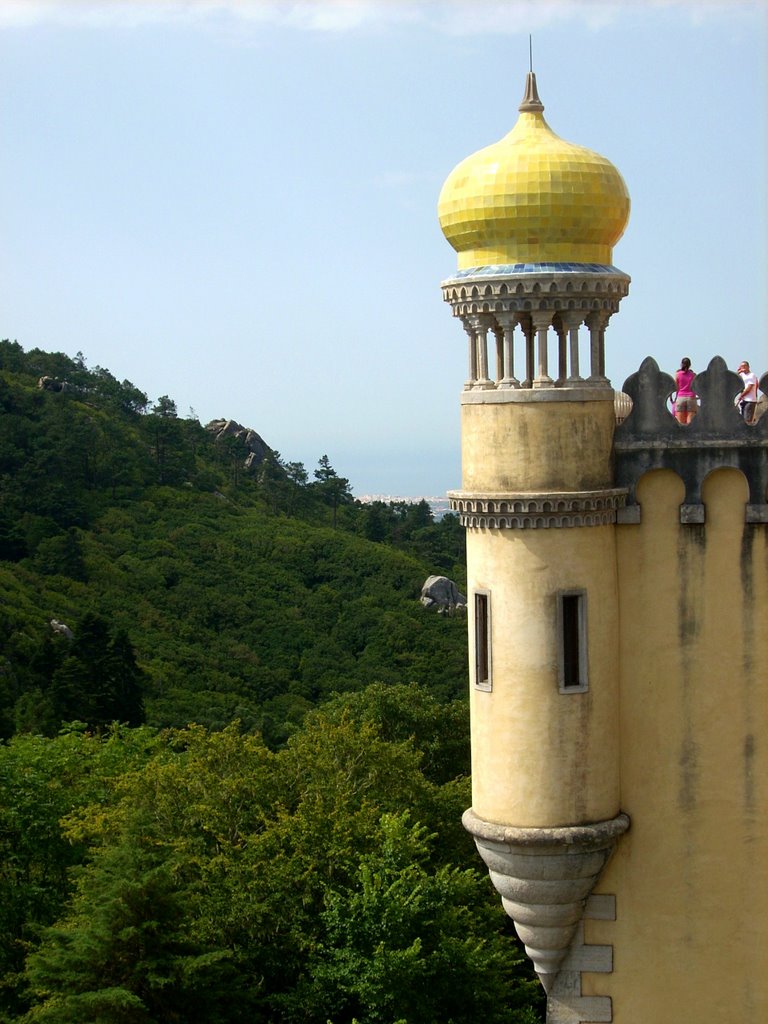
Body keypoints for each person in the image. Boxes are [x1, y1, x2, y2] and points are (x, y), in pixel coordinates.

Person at [674, 357, 697, 425]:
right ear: (690, 365)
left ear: (681, 364)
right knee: (690, 422)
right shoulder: (693, 375)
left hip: (680, 397)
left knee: (681, 423)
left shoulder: (677, 375)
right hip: (691, 398)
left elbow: (675, 387)